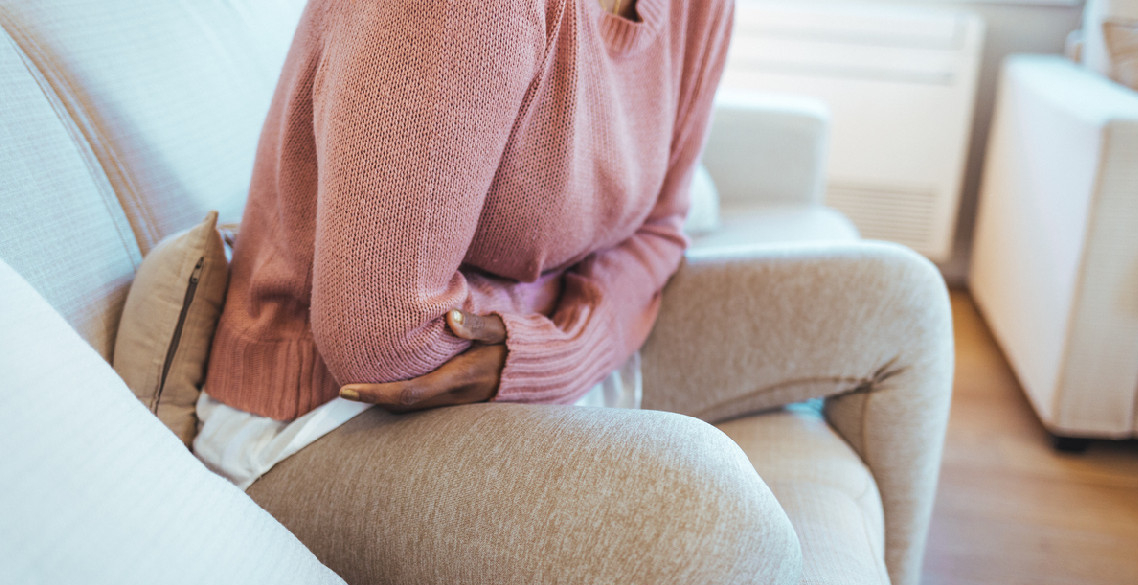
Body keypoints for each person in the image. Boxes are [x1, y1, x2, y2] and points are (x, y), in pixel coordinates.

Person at [194, 0, 736, 487]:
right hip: (328, 414)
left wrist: (567, 346)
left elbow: (662, 227)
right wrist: (567, 320)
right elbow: (382, 335)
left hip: (528, 360)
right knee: (714, 537)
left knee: (818, 302)